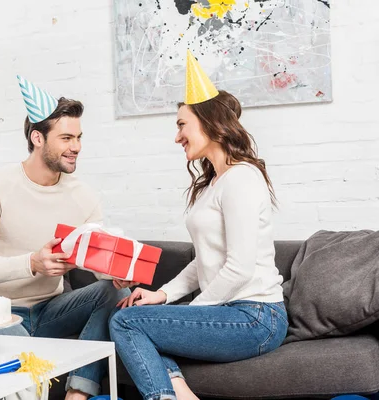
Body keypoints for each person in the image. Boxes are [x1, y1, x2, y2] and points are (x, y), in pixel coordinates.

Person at [109, 51, 288, 400]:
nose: (177, 136)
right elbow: (205, 259)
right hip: (233, 313)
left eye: (181, 124)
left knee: (126, 322)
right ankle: (178, 390)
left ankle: (167, 395)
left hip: (257, 318)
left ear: (208, 122)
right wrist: (162, 296)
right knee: (137, 312)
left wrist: (188, 316)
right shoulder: (213, 185)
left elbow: (239, 267)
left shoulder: (242, 179)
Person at [0, 75, 129, 400]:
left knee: (113, 291)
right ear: (38, 138)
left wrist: (114, 271)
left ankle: (78, 394)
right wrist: (33, 263)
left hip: (52, 309)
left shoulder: (83, 196)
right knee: (20, 360)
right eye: (66, 138)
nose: (76, 147)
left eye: (78, 137)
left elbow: (93, 260)